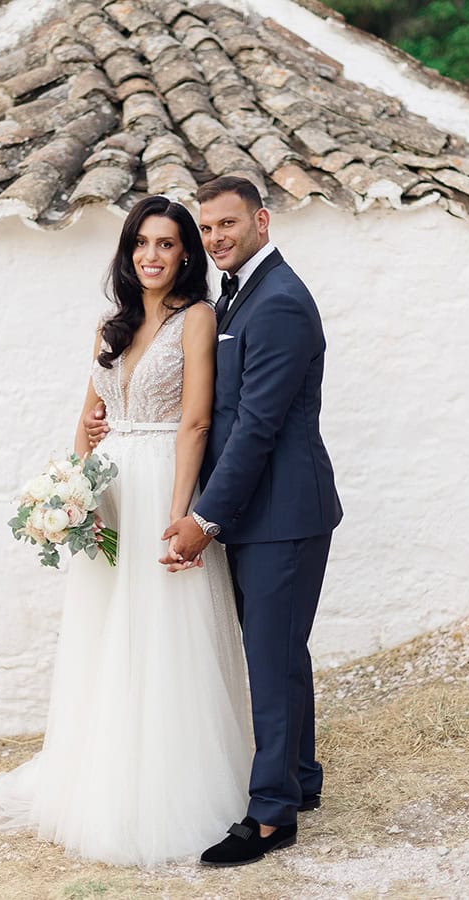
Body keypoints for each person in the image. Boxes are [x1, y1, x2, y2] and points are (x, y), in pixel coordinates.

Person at [0, 195, 252, 867]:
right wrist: (75, 490)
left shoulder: (197, 318)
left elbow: (196, 423)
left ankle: (171, 783)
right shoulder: (110, 324)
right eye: (141, 244)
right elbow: (89, 414)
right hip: (109, 489)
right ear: (128, 254)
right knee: (106, 634)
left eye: (165, 244)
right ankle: (99, 774)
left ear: (186, 253)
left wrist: (183, 515)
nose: (152, 256)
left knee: (162, 631)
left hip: (162, 481)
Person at [85, 177, 342, 867]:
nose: (217, 237)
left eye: (228, 224)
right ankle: (302, 781)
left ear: (260, 220)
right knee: (282, 652)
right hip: (256, 509)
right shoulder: (235, 295)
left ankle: (268, 818)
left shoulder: (281, 301)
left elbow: (255, 427)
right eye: (209, 227)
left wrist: (202, 517)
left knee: (272, 657)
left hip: (283, 511)